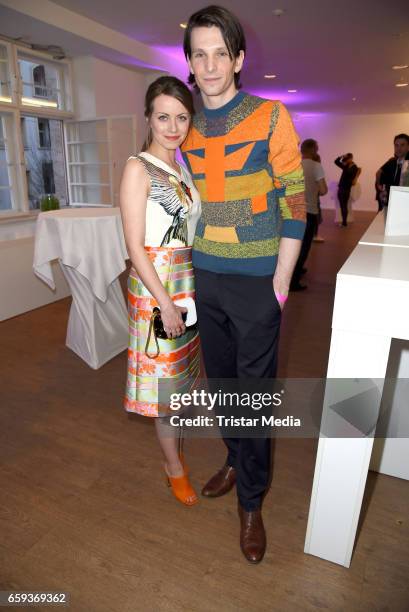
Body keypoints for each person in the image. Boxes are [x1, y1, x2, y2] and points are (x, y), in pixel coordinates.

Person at [181, 5, 306, 563]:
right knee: (223, 384)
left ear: (239, 58)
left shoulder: (272, 115)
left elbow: (297, 202)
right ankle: (235, 459)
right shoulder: (183, 124)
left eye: (219, 53)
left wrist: (280, 279)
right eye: (199, 53)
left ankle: (251, 502)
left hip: (257, 279)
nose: (210, 65)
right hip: (206, 276)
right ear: (189, 61)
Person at [119, 76, 201, 506]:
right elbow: (135, 246)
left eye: (182, 117)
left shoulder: (180, 167)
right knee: (166, 394)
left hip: (184, 283)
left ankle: (176, 454)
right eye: (164, 116)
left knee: (181, 382)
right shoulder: (139, 166)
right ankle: (174, 469)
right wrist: (165, 303)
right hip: (158, 288)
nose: (173, 126)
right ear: (148, 117)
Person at [291, 139, 327, 290]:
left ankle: (291, 273)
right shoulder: (316, 166)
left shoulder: (294, 164)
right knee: (304, 247)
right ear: (313, 149)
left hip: (292, 211)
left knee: (291, 245)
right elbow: (324, 190)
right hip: (309, 211)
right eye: (317, 149)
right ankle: (293, 282)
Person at [376, 133, 409, 209]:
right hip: (391, 202)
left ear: (408, 147)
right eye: (396, 145)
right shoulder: (392, 162)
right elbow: (378, 172)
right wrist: (379, 186)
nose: (399, 148)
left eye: (402, 145)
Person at [334, 153, 361, 226]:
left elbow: (349, 173)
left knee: (343, 205)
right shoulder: (348, 166)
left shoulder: (352, 167)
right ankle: (344, 222)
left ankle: (344, 223)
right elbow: (336, 161)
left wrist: (346, 164)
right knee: (343, 205)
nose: (345, 161)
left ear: (351, 158)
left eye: (347, 159)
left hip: (344, 189)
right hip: (343, 189)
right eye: (346, 159)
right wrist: (342, 156)